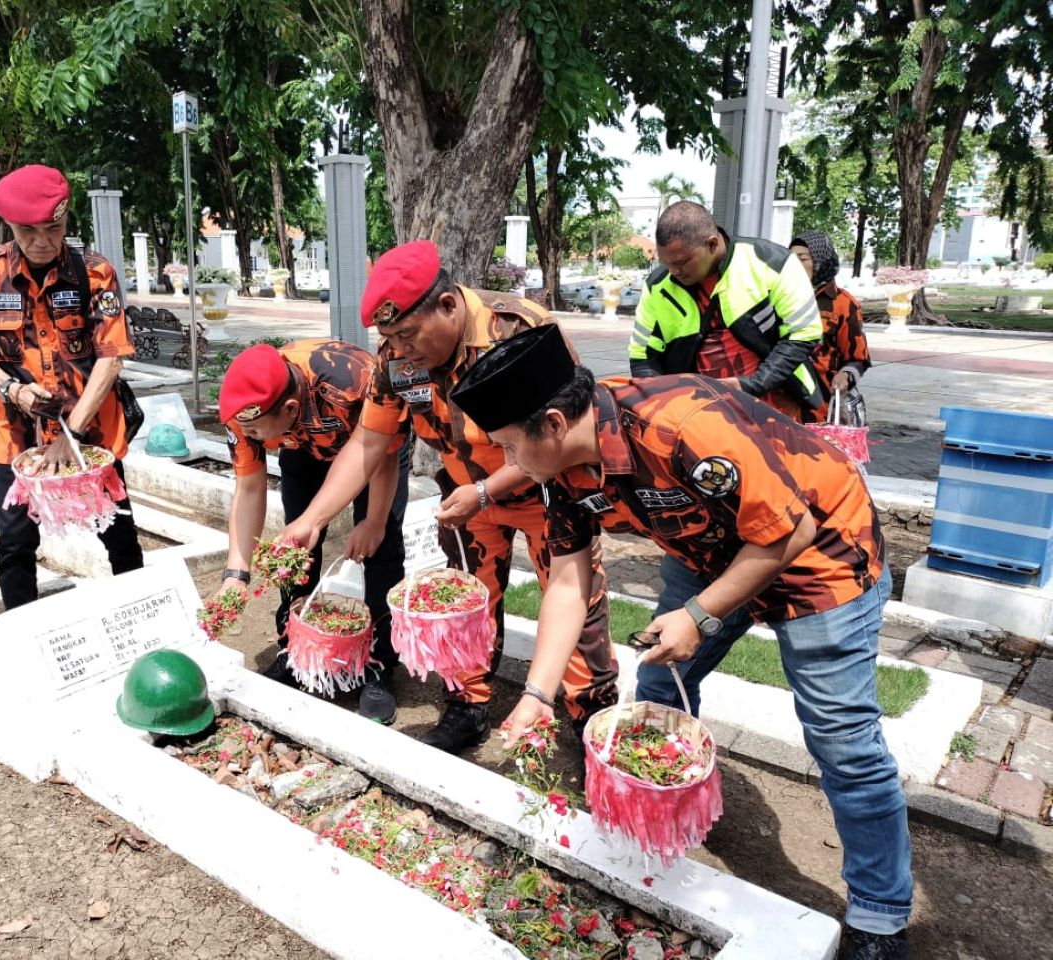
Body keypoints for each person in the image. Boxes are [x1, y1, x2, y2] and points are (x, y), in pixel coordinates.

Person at [451, 324, 911, 960]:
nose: (507, 464)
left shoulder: (679, 426)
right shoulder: (562, 467)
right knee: (660, 684)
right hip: (710, 547)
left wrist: (698, 614)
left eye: (508, 446)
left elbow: (790, 531)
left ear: (553, 423)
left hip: (822, 552)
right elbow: (568, 580)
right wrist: (535, 694)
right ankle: (659, 811)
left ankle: (880, 914)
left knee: (843, 738)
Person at [280, 240, 618, 754]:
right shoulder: (395, 362)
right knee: (463, 605)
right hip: (467, 501)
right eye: (389, 338)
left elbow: (565, 433)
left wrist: (486, 490)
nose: (400, 349)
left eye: (407, 334)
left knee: (576, 602)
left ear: (447, 305)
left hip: (549, 496)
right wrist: (313, 519)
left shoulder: (520, 331)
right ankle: (467, 704)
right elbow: (370, 442)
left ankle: (588, 717)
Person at [0, 164, 143, 608]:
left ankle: (140, 625)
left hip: (90, 431)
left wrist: (71, 434)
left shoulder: (94, 273)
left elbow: (111, 357)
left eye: (53, 229)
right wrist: (11, 389)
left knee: (119, 535)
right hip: (18, 436)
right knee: (15, 544)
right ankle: (24, 631)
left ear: (66, 218)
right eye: (28, 231)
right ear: (10, 226)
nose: (41, 242)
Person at [217, 340, 410, 724]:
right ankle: (295, 647)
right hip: (303, 448)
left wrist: (372, 522)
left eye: (254, 430)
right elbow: (250, 487)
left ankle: (379, 663)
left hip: (372, 447)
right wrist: (236, 573)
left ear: (289, 408)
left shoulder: (352, 382)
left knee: (381, 546)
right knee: (296, 546)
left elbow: (381, 453)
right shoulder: (244, 410)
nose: (249, 436)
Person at [631, 201, 824, 421]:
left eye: (682, 262)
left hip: (775, 409)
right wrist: (660, 402)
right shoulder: (658, 285)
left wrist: (754, 384)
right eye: (666, 263)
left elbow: (804, 333)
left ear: (712, 244)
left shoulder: (772, 263)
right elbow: (642, 356)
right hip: (697, 417)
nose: (674, 271)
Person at [789, 231, 871, 424]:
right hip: (778, 406)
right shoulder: (777, 297)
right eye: (790, 259)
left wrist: (845, 376)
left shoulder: (843, 304)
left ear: (821, 261)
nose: (794, 265)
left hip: (820, 407)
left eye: (802, 258)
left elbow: (858, 359)